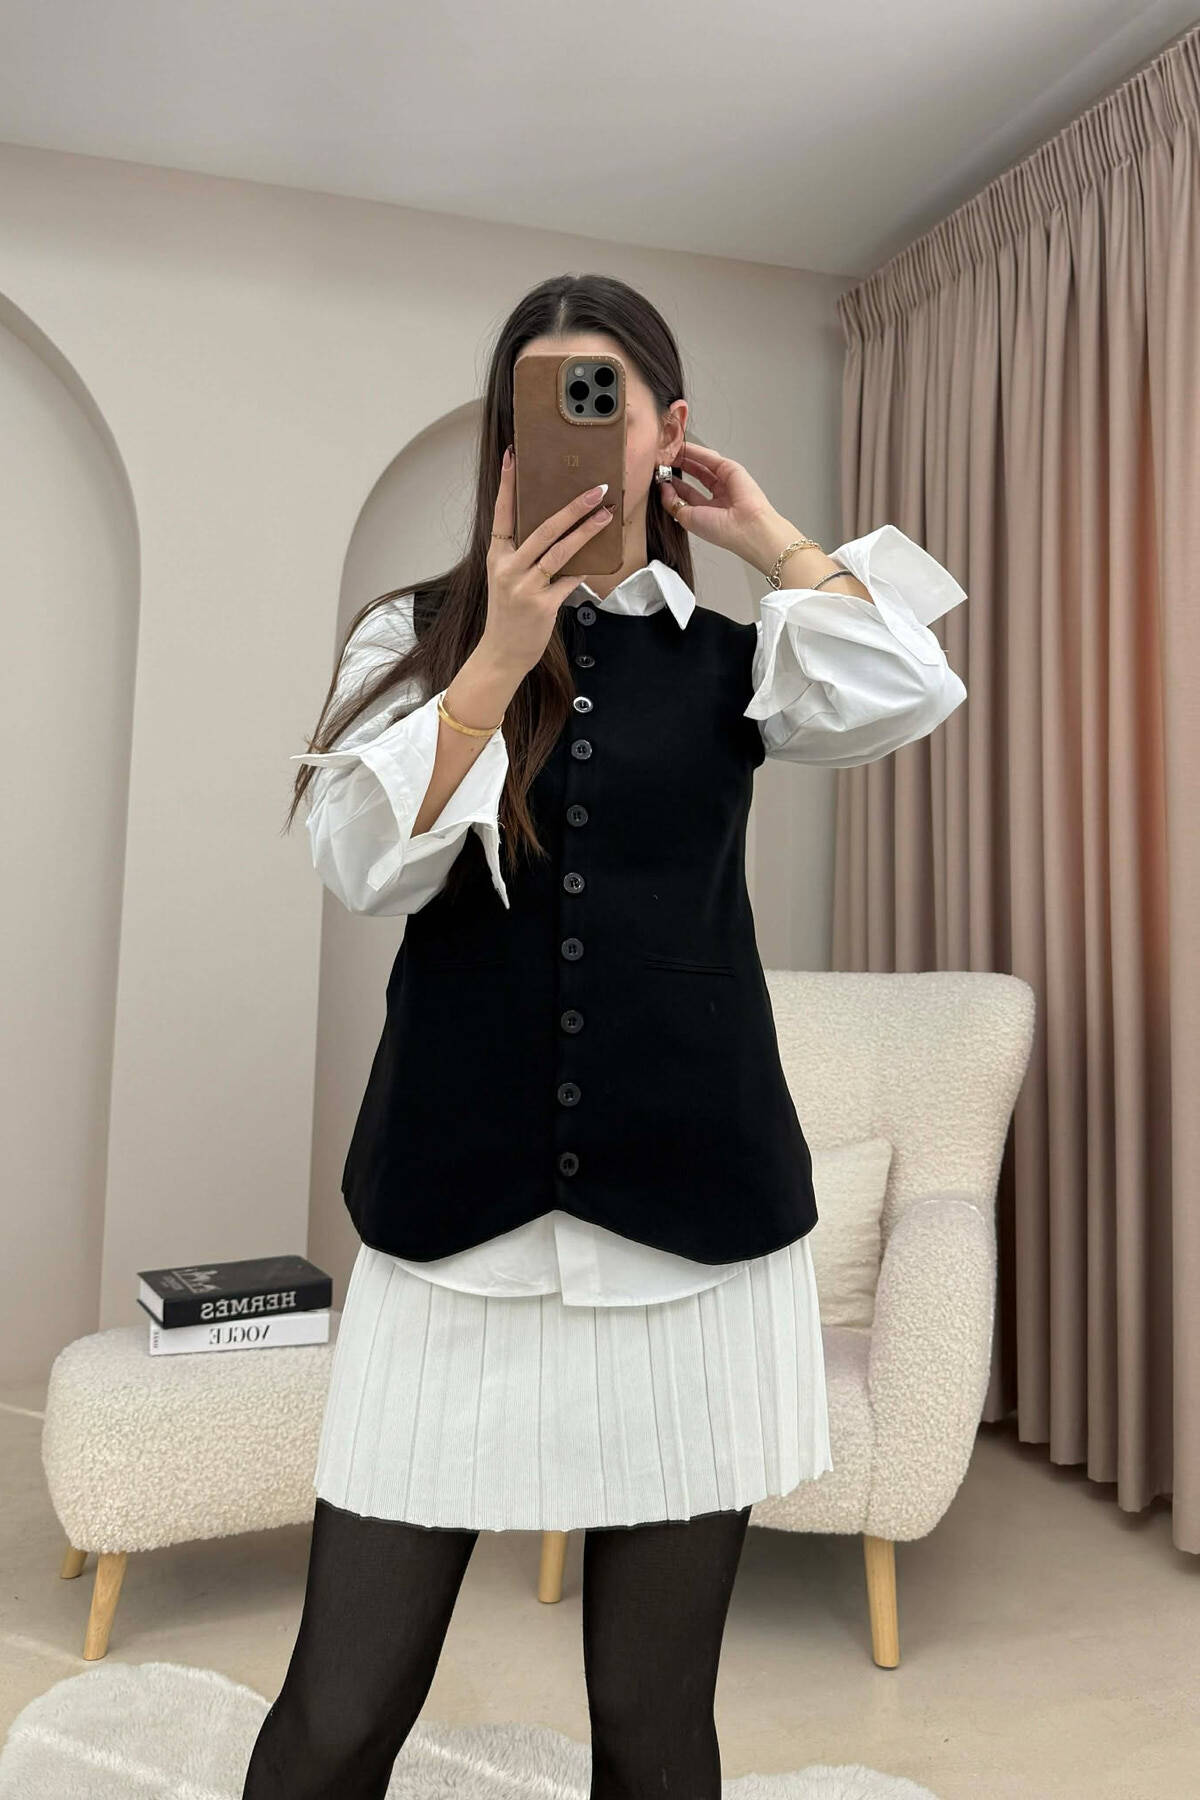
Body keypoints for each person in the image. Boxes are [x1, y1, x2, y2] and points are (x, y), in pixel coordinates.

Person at [241, 271, 967, 1799]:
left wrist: (767, 535)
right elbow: (358, 865)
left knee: (654, 1726)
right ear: (504, 439)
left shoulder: (738, 653)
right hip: (455, 1243)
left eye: (605, 399)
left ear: (668, 430)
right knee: (337, 1715)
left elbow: (915, 683)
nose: (571, 428)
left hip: (692, 1253)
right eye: (540, 402)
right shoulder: (415, 635)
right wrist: (496, 657)